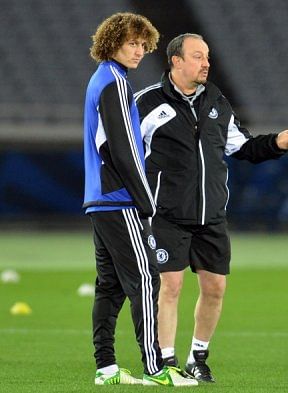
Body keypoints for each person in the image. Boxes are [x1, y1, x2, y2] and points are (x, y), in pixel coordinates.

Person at [135, 33, 288, 382]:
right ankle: (166, 362)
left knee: (215, 288)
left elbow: (242, 147)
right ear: (176, 61)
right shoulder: (145, 104)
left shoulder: (216, 101)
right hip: (166, 216)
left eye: (207, 56)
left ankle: (198, 357)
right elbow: (124, 152)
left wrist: (276, 143)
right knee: (170, 286)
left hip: (211, 216)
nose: (206, 63)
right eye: (198, 56)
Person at [83, 13, 197, 387]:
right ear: (111, 42)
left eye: (141, 45)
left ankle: (107, 369)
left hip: (101, 199)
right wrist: (146, 202)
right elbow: (125, 150)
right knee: (146, 280)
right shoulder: (114, 83)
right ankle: (156, 369)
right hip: (119, 199)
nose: (138, 51)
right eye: (131, 43)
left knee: (110, 286)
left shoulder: (101, 80)